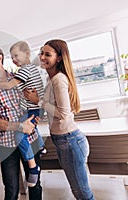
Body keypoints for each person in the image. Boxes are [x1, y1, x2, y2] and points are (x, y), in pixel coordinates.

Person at [24, 39, 94, 200]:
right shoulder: (52, 79)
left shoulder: (59, 79)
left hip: (70, 140)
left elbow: (63, 113)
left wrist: (38, 101)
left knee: (81, 192)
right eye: (41, 53)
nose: (42, 57)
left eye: (48, 54)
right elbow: (51, 109)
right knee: (77, 190)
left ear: (59, 58)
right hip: (63, 140)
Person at [0, 44, 42, 200]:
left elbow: (34, 101)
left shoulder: (18, 78)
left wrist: (35, 117)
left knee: (35, 184)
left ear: (0, 58)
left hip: (30, 138)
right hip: (7, 145)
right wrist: (19, 126)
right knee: (11, 189)